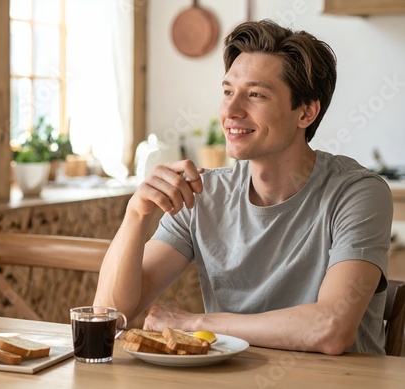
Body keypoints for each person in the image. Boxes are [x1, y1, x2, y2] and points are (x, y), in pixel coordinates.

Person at [94, 19, 393, 355]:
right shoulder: (203, 194)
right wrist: (136, 214)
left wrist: (196, 324)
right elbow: (109, 317)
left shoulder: (357, 193)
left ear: (306, 112)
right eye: (227, 92)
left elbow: (331, 329)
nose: (231, 111)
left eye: (255, 94)